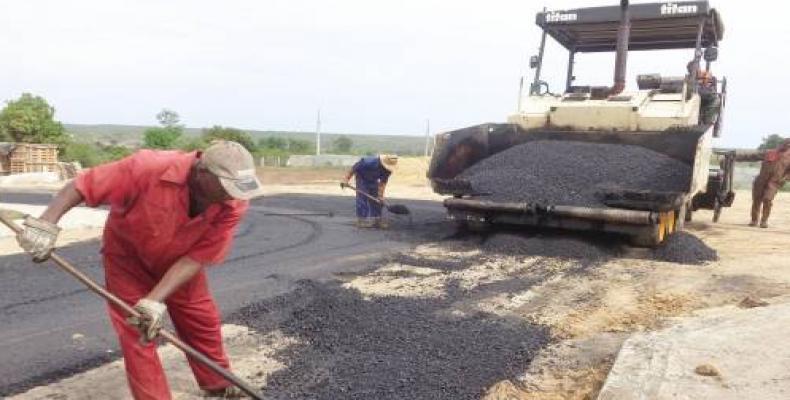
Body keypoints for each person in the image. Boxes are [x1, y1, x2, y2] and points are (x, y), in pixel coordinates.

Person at [16, 141, 264, 399]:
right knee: (138, 331)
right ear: (202, 172)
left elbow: (198, 257)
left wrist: (154, 300)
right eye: (226, 187)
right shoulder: (148, 167)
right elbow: (82, 185)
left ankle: (218, 385)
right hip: (128, 260)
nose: (232, 195)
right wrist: (45, 224)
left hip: (180, 265)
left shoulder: (234, 204)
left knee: (202, 320)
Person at [343, 154, 398, 228]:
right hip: (362, 178)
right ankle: (361, 220)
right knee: (362, 198)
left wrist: (380, 196)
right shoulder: (368, 162)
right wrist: (346, 179)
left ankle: (376, 220)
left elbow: (382, 183)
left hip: (373, 180)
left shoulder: (387, 171)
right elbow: (354, 169)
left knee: (377, 200)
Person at [750, 139, 790, 228]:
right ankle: (754, 220)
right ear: (781, 143)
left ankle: (764, 221)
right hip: (760, 181)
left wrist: (785, 178)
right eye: (786, 143)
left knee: (767, 200)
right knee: (756, 200)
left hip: (774, 183)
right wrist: (736, 156)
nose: (787, 145)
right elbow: (753, 156)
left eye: (789, 144)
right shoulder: (770, 152)